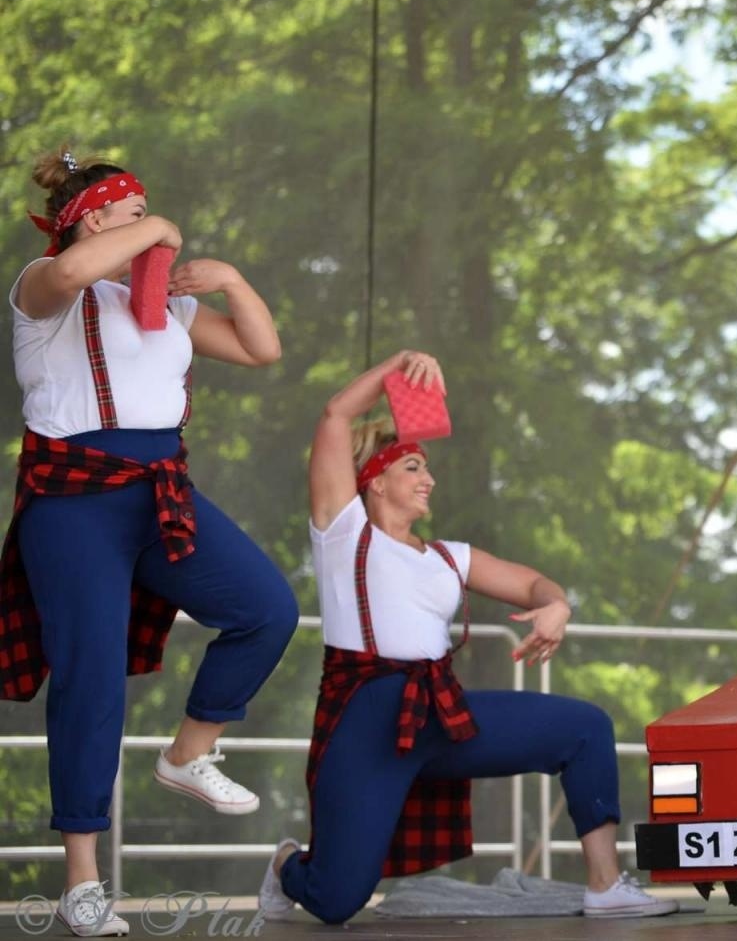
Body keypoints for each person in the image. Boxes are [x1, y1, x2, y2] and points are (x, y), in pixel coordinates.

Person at [258, 351, 676, 924]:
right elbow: (335, 415)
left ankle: (605, 886)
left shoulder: (449, 556)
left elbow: (531, 583)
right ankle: (287, 862)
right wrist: (399, 367)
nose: (428, 479)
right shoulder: (343, 531)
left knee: (585, 728)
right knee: (336, 901)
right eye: (413, 468)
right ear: (374, 481)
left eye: (427, 469)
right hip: (367, 717)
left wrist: (557, 605)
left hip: (439, 712)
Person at [2, 147, 298, 936]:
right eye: (134, 213)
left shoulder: (158, 300)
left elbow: (262, 349)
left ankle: (188, 752)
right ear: (95, 217)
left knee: (266, 608)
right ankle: (82, 880)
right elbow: (72, 271)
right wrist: (159, 225)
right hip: (73, 502)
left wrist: (230, 280)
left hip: (159, 492)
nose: (154, 228)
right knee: (90, 680)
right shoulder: (43, 284)